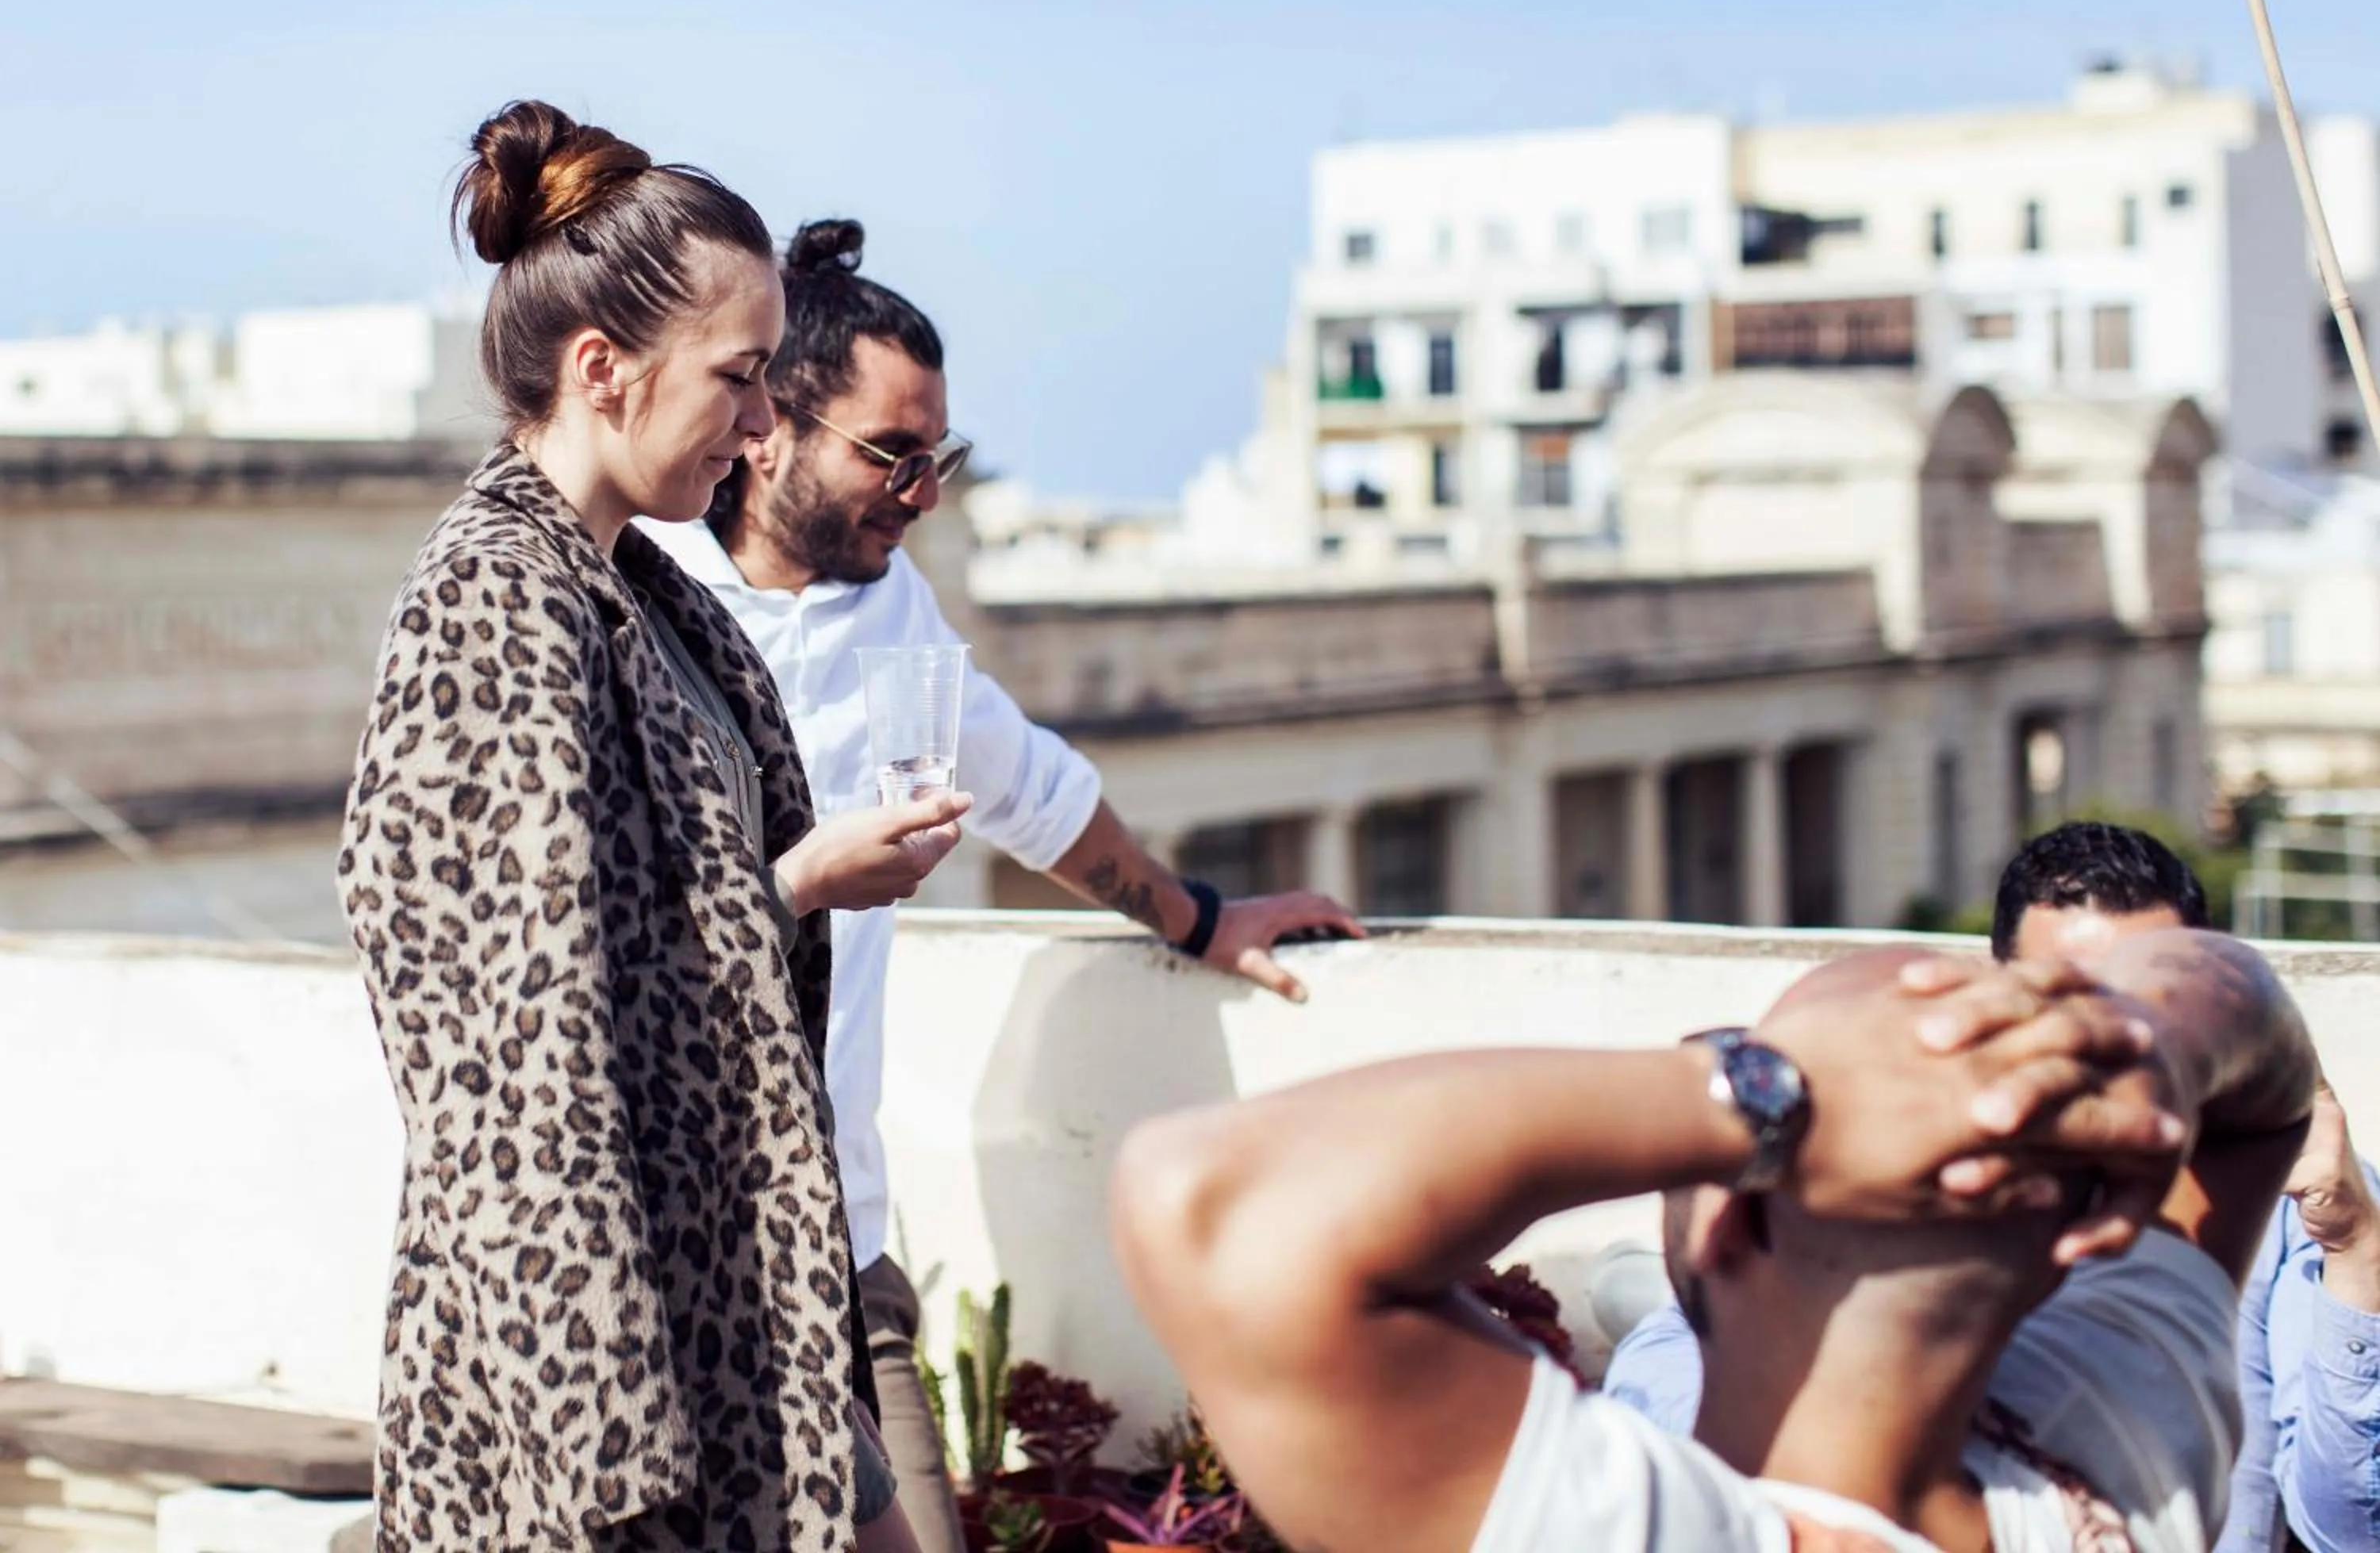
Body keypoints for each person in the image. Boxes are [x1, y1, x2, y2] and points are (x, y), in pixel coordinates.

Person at [639, 218, 1363, 1550]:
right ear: (767, 429)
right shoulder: (639, 603)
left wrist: (1199, 916)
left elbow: (1031, 789)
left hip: (841, 1254)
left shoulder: (892, 606)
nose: (924, 491)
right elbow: (607, 931)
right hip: (662, 1253)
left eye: (941, 457)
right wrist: (803, 879)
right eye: (892, 455)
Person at [339, 102, 966, 1552]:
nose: (762, 425)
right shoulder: (498, 600)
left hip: (739, 1322)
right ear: (602, 370)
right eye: (742, 380)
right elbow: (514, 1055)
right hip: (615, 1380)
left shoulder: (640, 588)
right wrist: (609, 1462)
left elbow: (649, 930)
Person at [1113, 926, 2318, 1551]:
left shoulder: (1644, 1531)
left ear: (1731, 1223)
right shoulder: (2119, 1458)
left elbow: (1206, 1200)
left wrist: (1754, 1095)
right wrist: (2124, 1029)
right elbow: (2262, 1077)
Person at [1603, 821, 2380, 1552]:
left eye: (2139, 1000)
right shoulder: (2128, 1406)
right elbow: (2261, 1039)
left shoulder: (2306, 1197)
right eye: (2062, 1000)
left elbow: (2347, 1522)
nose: (2097, 1044)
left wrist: (2357, 1247)